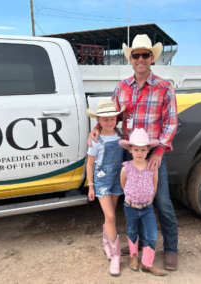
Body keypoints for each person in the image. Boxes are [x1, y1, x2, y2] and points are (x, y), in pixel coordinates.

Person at [88, 34, 179, 270]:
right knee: (132, 201)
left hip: (153, 154)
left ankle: (171, 249)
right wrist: (97, 128)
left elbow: (171, 123)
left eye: (145, 55)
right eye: (136, 54)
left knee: (161, 201)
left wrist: (158, 152)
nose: (140, 59)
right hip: (129, 154)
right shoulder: (122, 87)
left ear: (152, 58)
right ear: (130, 58)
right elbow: (110, 116)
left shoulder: (164, 87)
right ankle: (136, 245)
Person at [86, 99, 126, 276]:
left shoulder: (121, 136)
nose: (109, 122)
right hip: (102, 181)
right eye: (105, 120)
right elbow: (90, 165)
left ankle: (106, 241)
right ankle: (116, 256)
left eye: (112, 119)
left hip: (117, 180)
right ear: (98, 121)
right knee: (110, 216)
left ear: (116, 119)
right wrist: (91, 186)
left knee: (111, 216)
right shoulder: (96, 139)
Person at [119, 127, 167, 276]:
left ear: (148, 150)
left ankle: (147, 263)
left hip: (147, 208)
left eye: (143, 150)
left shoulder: (152, 168)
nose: (139, 153)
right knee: (132, 230)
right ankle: (133, 257)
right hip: (131, 207)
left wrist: (149, 201)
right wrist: (131, 198)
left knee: (152, 234)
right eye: (136, 150)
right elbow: (123, 184)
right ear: (130, 150)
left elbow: (154, 185)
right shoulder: (126, 168)